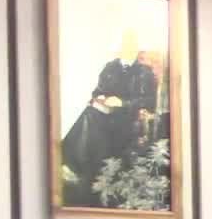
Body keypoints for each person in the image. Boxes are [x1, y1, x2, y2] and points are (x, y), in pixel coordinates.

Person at [60, 29, 158, 207]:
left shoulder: (145, 72)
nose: (129, 48)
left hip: (127, 118)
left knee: (91, 119)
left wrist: (122, 103)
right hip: (105, 113)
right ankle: (74, 166)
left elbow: (150, 102)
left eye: (132, 45)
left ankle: (72, 164)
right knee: (90, 112)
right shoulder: (110, 67)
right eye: (126, 45)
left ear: (137, 49)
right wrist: (100, 98)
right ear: (120, 48)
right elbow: (97, 91)